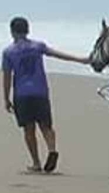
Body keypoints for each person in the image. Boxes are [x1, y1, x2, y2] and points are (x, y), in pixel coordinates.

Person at [3, 17, 92, 172]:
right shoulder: (38, 46)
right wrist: (81, 60)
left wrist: (5, 98)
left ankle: (36, 163)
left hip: (22, 95)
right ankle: (51, 149)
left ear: (12, 32)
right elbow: (58, 55)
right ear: (27, 30)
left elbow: (7, 77)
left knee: (28, 129)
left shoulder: (8, 52)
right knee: (46, 126)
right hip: (40, 92)